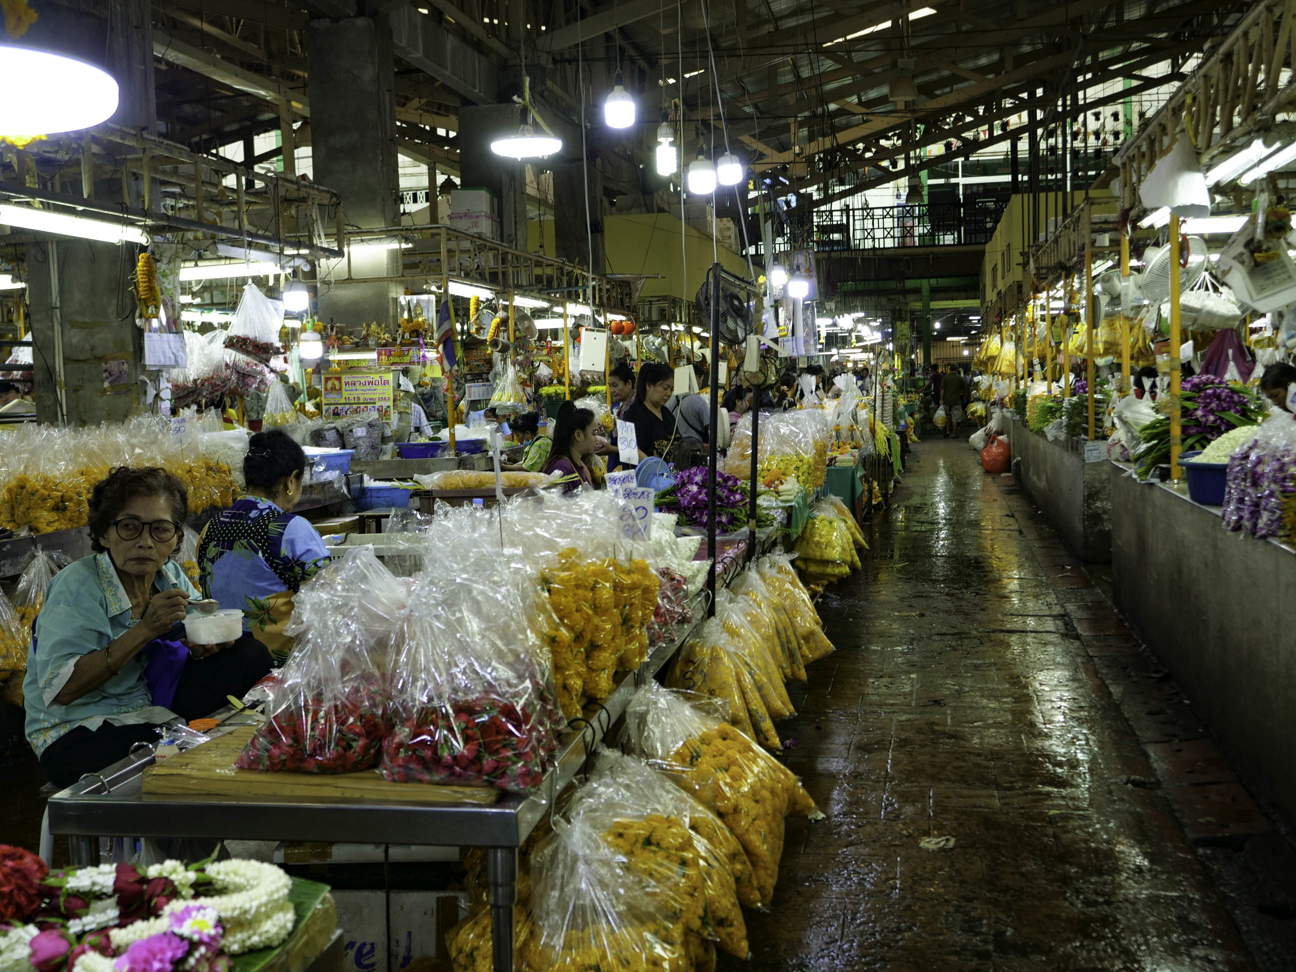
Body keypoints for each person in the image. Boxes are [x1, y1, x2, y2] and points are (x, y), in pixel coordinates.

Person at [24, 467, 272, 787]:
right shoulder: (78, 586)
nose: (144, 542)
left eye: (160, 530)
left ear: (176, 539)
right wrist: (145, 629)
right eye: (129, 527)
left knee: (250, 653)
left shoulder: (167, 575)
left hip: (150, 705)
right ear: (103, 534)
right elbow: (63, 689)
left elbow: (194, 627)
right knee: (168, 743)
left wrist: (204, 642)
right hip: (76, 730)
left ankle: (188, 732)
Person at [197, 431, 331, 663]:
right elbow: (330, 600)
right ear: (291, 480)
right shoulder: (291, 529)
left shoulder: (211, 527)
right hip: (280, 669)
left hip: (223, 663)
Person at [621, 362, 678, 463]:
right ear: (649, 385)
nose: (669, 393)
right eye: (665, 388)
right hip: (645, 476)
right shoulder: (631, 415)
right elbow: (627, 452)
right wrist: (653, 467)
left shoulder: (667, 414)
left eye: (671, 389)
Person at [542, 402, 600, 492]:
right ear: (578, 435)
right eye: (594, 433)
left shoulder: (578, 464)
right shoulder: (562, 468)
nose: (597, 438)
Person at [668, 361, 711, 446]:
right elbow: (709, 427)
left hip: (675, 446)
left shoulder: (669, 398)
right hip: (695, 447)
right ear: (698, 378)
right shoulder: (699, 401)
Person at [941, 366, 966, 437]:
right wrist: (964, 398)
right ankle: (954, 433)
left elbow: (942, 390)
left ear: (949, 369)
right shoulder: (960, 378)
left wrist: (941, 399)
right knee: (955, 417)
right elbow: (963, 390)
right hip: (956, 400)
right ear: (956, 370)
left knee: (948, 416)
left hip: (946, 400)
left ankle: (948, 431)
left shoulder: (945, 377)